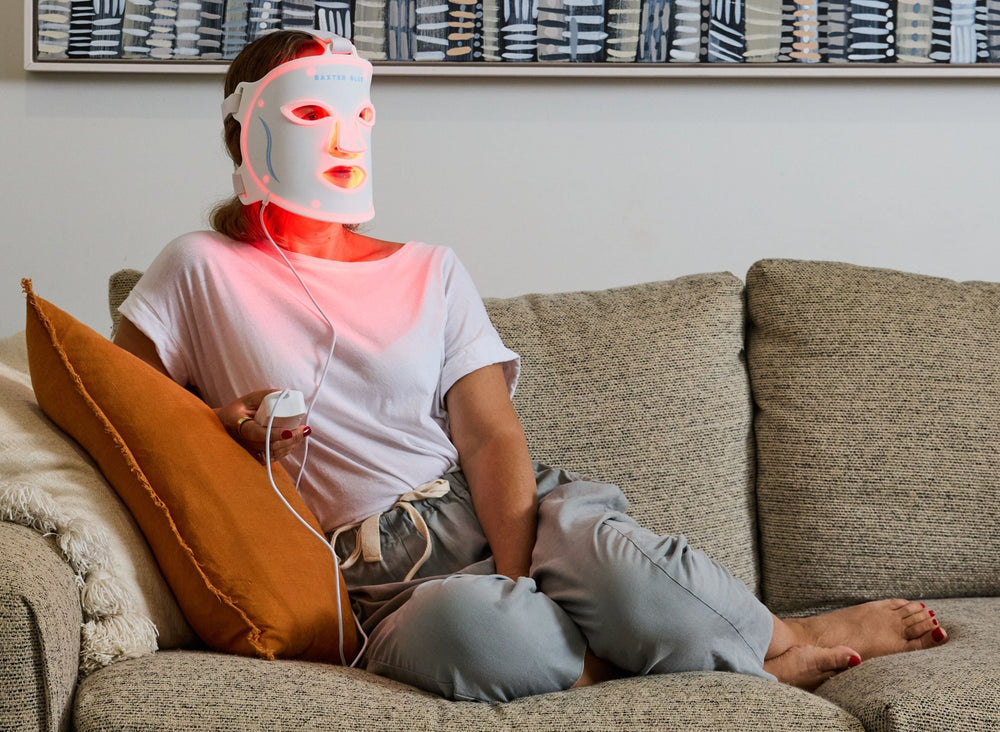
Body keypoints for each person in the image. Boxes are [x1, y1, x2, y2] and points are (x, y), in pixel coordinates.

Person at [114, 30, 948, 703]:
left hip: (483, 507)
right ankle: (712, 666)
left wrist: (520, 572)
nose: (339, 136)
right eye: (308, 113)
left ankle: (790, 636)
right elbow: (134, 423)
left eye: (356, 115)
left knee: (615, 565)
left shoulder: (428, 268)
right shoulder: (196, 269)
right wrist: (232, 428)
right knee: (482, 631)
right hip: (372, 576)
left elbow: (488, 433)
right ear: (245, 128)